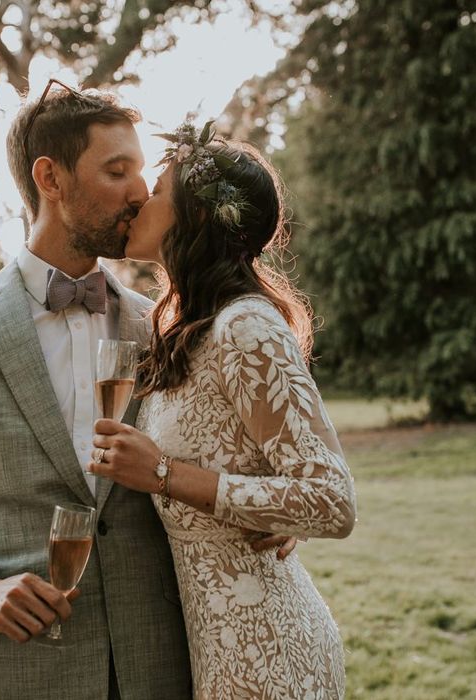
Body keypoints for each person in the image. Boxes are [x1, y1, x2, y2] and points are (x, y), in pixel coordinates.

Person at [0, 82, 292, 700]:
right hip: (16, 669)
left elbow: (228, 457)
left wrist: (266, 510)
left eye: (141, 171)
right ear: (51, 178)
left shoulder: (165, 327)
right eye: (116, 171)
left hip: (159, 662)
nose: (142, 191)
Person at [84, 121, 357, 699]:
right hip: (215, 654)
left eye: (157, 191)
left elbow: (331, 499)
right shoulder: (185, 329)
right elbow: (258, 474)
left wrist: (163, 474)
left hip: (272, 655)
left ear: (196, 216)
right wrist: (266, 508)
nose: (139, 199)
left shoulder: (248, 326)